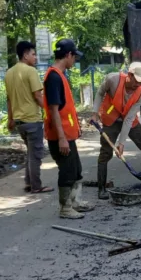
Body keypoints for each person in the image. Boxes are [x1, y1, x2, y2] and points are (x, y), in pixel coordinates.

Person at [90, 62, 141, 200]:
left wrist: (121, 143)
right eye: (137, 80)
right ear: (129, 75)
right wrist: (94, 113)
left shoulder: (140, 94)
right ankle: (101, 188)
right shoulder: (113, 80)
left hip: (129, 119)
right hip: (111, 118)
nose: (138, 84)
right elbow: (100, 93)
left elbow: (129, 119)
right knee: (105, 152)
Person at [44, 38, 93, 219]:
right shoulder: (54, 77)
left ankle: (75, 202)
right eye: (74, 57)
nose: (75, 61)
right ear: (68, 55)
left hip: (66, 134)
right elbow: (54, 110)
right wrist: (62, 137)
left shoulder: (60, 75)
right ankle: (65, 208)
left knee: (75, 169)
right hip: (60, 136)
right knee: (67, 170)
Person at [4, 40, 52, 194]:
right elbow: (38, 96)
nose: (35, 57)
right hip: (32, 120)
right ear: (25, 55)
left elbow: (9, 99)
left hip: (19, 122)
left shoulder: (9, 73)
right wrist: (50, 111)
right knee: (36, 155)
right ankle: (36, 186)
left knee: (30, 153)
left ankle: (28, 182)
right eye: (33, 54)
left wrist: (10, 119)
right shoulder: (30, 71)